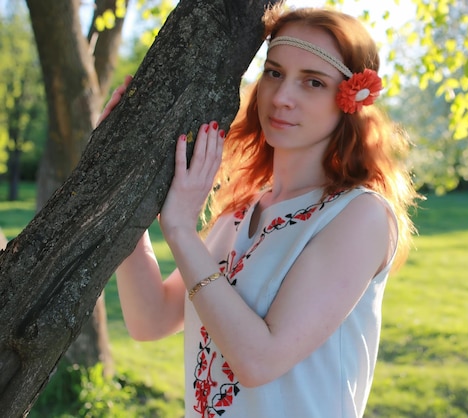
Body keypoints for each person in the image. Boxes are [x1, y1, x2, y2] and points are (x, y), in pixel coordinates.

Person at [109, 5, 418, 418]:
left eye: (313, 82)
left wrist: (181, 230)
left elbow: (259, 361)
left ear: (351, 100)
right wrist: (123, 180)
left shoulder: (359, 216)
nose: (282, 97)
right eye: (274, 73)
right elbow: (150, 320)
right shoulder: (241, 210)